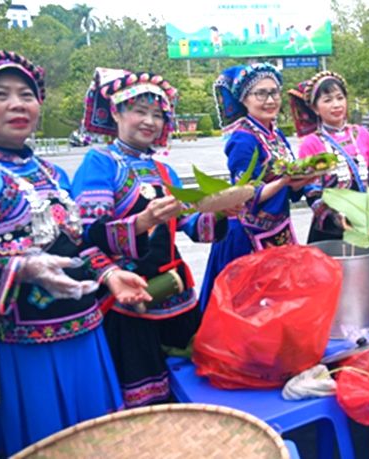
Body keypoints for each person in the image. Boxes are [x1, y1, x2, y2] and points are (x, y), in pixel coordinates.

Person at [0, 50, 149, 455]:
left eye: (27, 95)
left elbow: (74, 242)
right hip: (18, 351)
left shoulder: (52, 173)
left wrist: (109, 275)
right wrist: (21, 270)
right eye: (0, 94)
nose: (18, 104)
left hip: (85, 335)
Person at [72, 68, 236, 408]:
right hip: (129, 301)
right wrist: (144, 221)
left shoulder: (164, 171)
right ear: (116, 112)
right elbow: (87, 234)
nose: (150, 121)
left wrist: (222, 212)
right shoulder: (100, 163)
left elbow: (192, 226)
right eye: (139, 111)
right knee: (144, 399)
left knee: (192, 387)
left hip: (176, 294)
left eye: (157, 115)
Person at [198, 63, 308, 311]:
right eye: (261, 94)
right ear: (244, 99)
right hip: (246, 235)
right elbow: (246, 195)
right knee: (246, 308)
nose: (270, 100)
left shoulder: (275, 135)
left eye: (274, 92)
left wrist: (306, 178)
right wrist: (285, 181)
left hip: (278, 230)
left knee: (277, 304)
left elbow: (289, 185)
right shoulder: (242, 139)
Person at [288, 71, 369, 242]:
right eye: (328, 100)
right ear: (315, 108)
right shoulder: (311, 143)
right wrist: (337, 218)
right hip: (330, 230)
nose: (336, 105)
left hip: (368, 223)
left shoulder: (361, 133)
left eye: (340, 98)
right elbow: (312, 192)